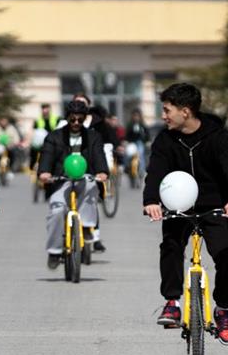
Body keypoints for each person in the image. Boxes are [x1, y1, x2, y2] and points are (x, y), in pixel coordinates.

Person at [143, 83, 228, 345]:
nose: (163, 116)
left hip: (215, 206)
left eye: (167, 110)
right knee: (171, 246)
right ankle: (172, 303)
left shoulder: (217, 137)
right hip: (178, 207)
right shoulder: (165, 140)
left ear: (185, 111)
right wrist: (151, 200)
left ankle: (222, 309)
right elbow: (155, 171)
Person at [38, 99, 108, 268]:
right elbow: (47, 156)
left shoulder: (93, 137)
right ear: (67, 118)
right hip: (60, 181)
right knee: (57, 211)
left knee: (91, 187)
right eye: (72, 119)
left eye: (80, 119)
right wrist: (44, 172)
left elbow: (99, 156)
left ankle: (86, 227)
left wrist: (102, 171)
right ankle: (54, 251)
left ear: (85, 119)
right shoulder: (54, 137)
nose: (76, 123)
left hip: (85, 178)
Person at [31, 103, 61, 168]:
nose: (45, 111)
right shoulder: (37, 120)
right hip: (42, 143)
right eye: (43, 109)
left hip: (54, 141)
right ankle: (34, 165)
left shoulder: (57, 119)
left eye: (46, 108)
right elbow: (33, 133)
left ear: (49, 109)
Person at [124, 108, 150, 173]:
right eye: (135, 116)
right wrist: (126, 141)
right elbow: (127, 135)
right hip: (131, 142)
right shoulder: (130, 125)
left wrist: (147, 141)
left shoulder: (142, 126)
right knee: (128, 153)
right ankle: (127, 167)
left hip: (140, 142)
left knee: (140, 154)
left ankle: (141, 170)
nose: (136, 117)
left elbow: (147, 135)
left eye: (137, 116)